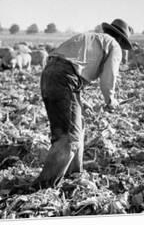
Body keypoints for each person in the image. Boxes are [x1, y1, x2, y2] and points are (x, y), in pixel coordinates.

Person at [32, 19, 132, 188]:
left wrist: (80, 101)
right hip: (65, 78)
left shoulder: (92, 38)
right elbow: (109, 78)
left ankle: (74, 174)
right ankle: (43, 186)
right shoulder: (114, 45)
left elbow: (68, 66)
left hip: (50, 73)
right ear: (121, 39)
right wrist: (110, 100)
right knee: (68, 137)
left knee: (79, 125)